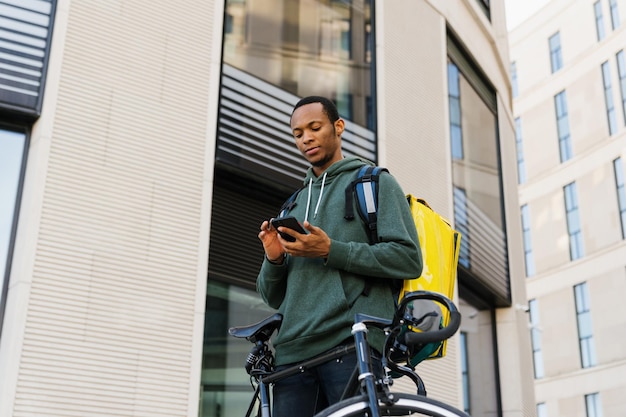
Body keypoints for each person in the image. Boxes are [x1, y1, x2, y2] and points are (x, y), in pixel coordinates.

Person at [256, 96, 422, 417]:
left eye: (315, 127)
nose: (306, 138)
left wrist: (332, 250)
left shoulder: (373, 183)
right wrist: (274, 259)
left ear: (338, 127)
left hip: (351, 344)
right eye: (298, 133)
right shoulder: (292, 205)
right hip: (292, 353)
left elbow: (408, 259)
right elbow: (272, 296)